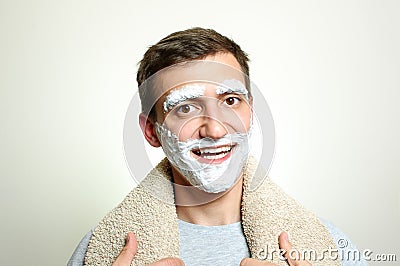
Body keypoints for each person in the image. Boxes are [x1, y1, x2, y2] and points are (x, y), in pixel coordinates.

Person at [68, 28, 366, 266]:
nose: (215, 128)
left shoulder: (326, 245)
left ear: (251, 112)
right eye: (185, 108)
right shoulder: (98, 252)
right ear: (152, 131)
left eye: (230, 101)